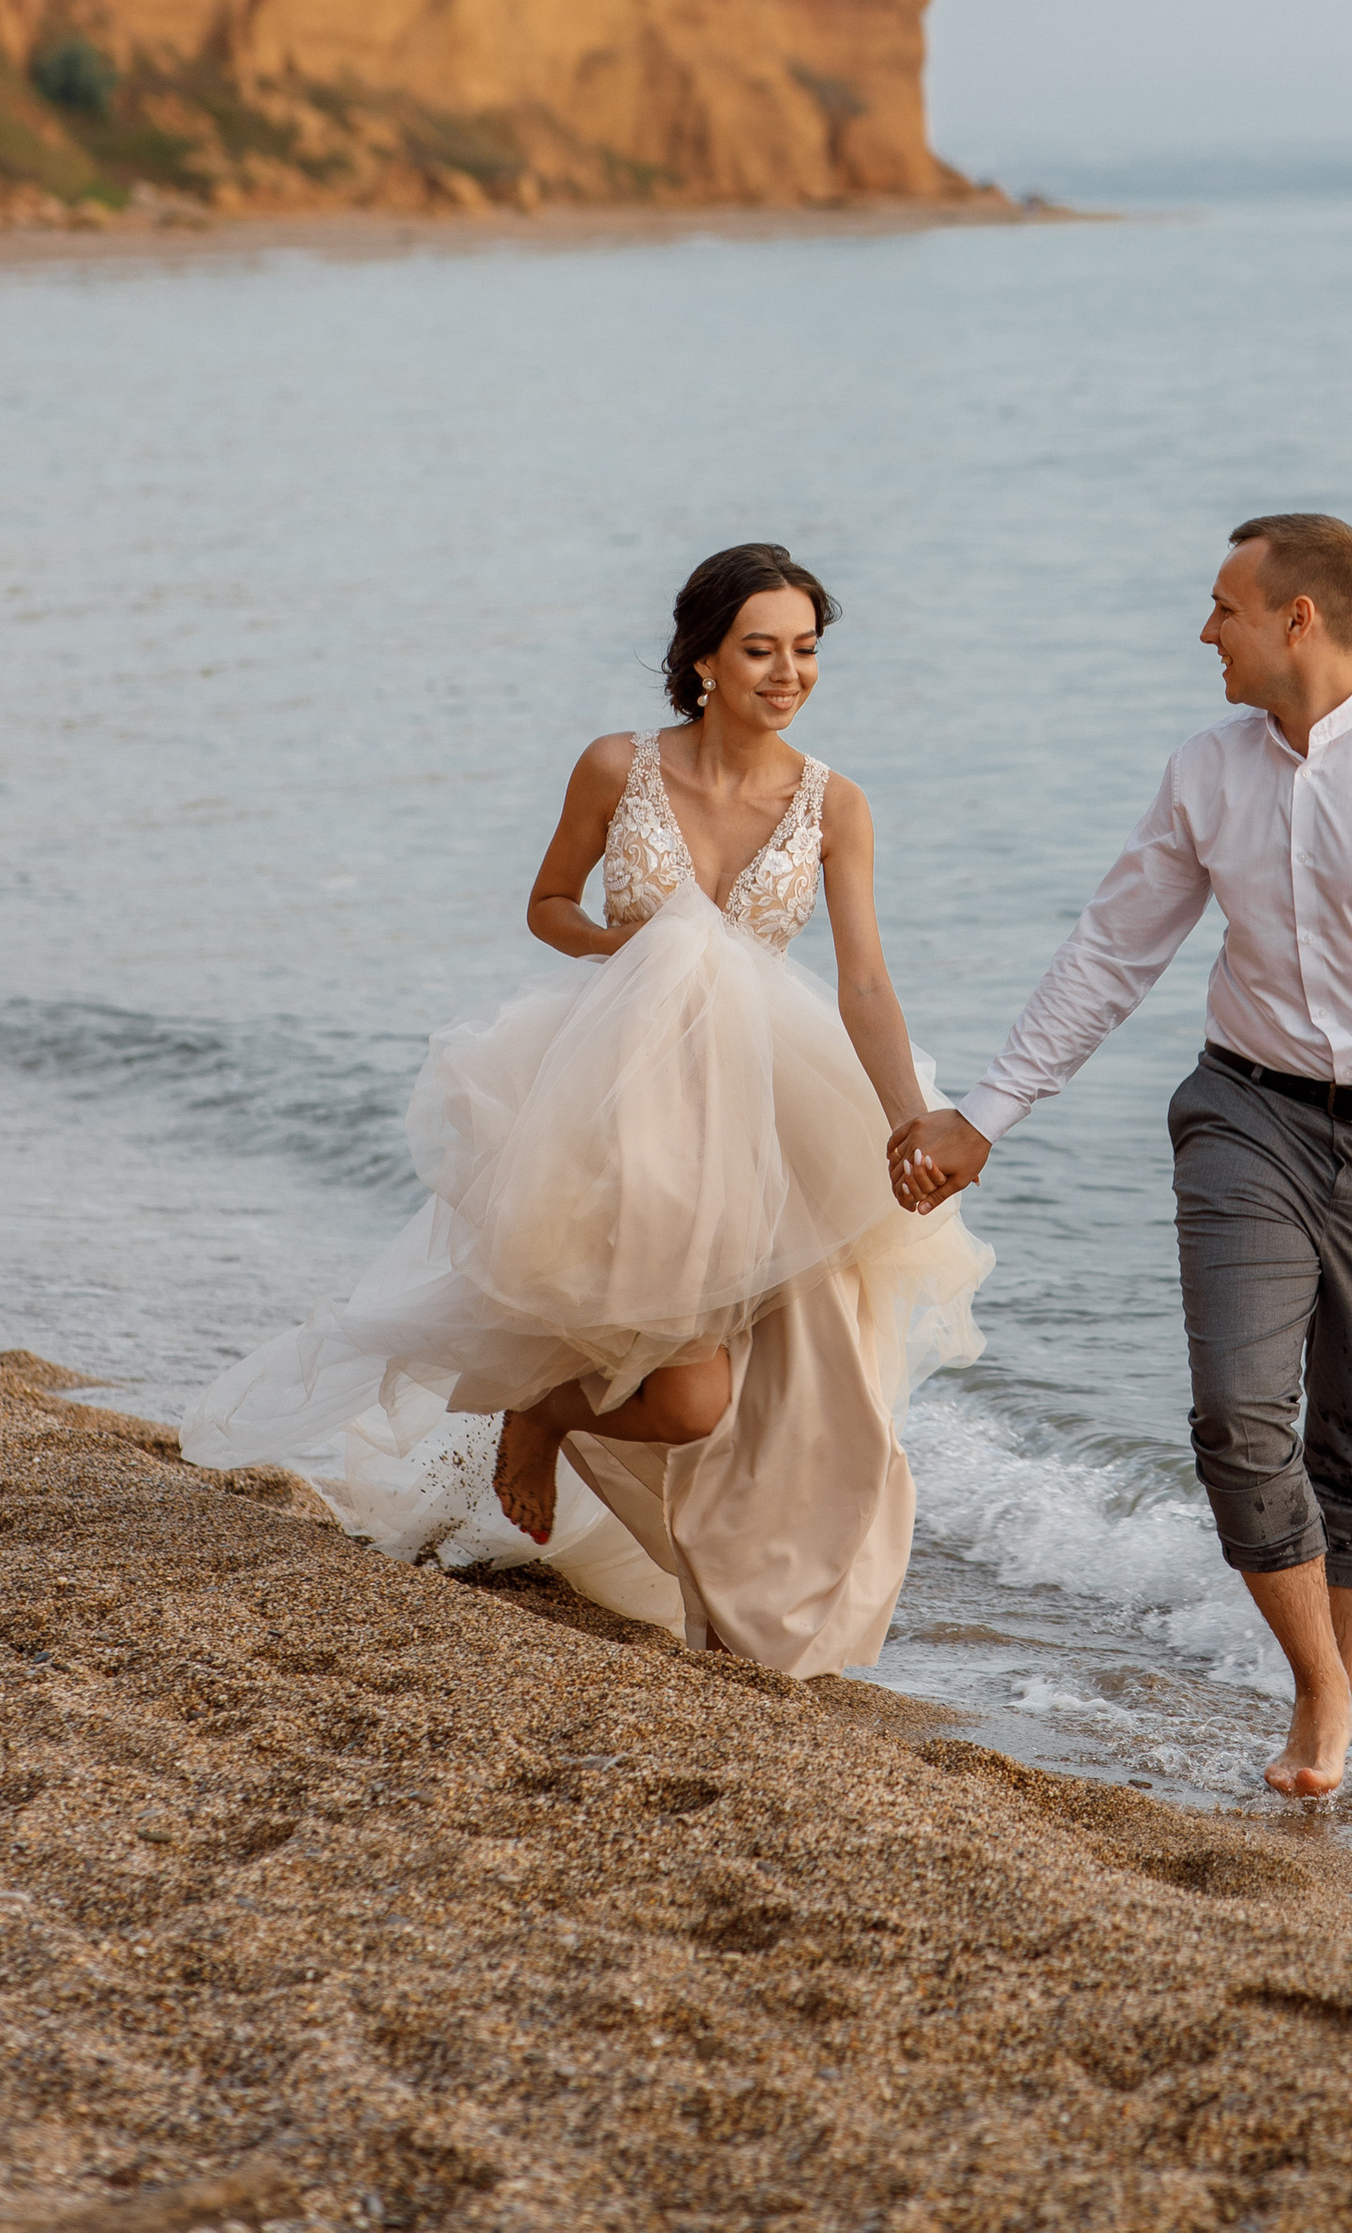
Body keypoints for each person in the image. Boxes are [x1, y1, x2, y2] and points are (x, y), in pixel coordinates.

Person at [184, 542, 989, 1677]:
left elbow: (863, 979)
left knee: (806, 1390)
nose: (787, 673)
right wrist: (634, 952)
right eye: (760, 649)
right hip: (620, 1099)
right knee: (692, 1395)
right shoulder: (620, 766)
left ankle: (754, 1590)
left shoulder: (834, 803)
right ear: (701, 658)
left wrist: (909, 1116)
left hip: (771, 1108)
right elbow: (548, 904)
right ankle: (545, 1414)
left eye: (805, 650)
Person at [890, 512, 1352, 1795]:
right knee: (1234, 1416)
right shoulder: (1205, 768)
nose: (1202, 630)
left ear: (1297, 620)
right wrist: (983, 1113)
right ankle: (1324, 1697)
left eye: (1221, 606)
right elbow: (1111, 953)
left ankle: (1328, 1704)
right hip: (1244, 1116)